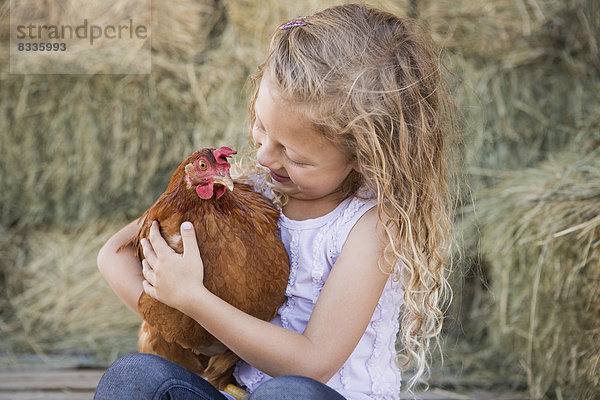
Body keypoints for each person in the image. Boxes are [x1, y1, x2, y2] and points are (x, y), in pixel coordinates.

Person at [95, 3, 454, 399]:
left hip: (318, 396)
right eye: (261, 127)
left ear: (364, 155)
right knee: (134, 375)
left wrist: (195, 301)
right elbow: (114, 253)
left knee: (288, 394)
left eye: (295, 156)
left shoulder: (369, 227)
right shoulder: (244, 191)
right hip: (240, 393)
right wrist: (186, 321)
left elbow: (312, 364)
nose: (265, 156)